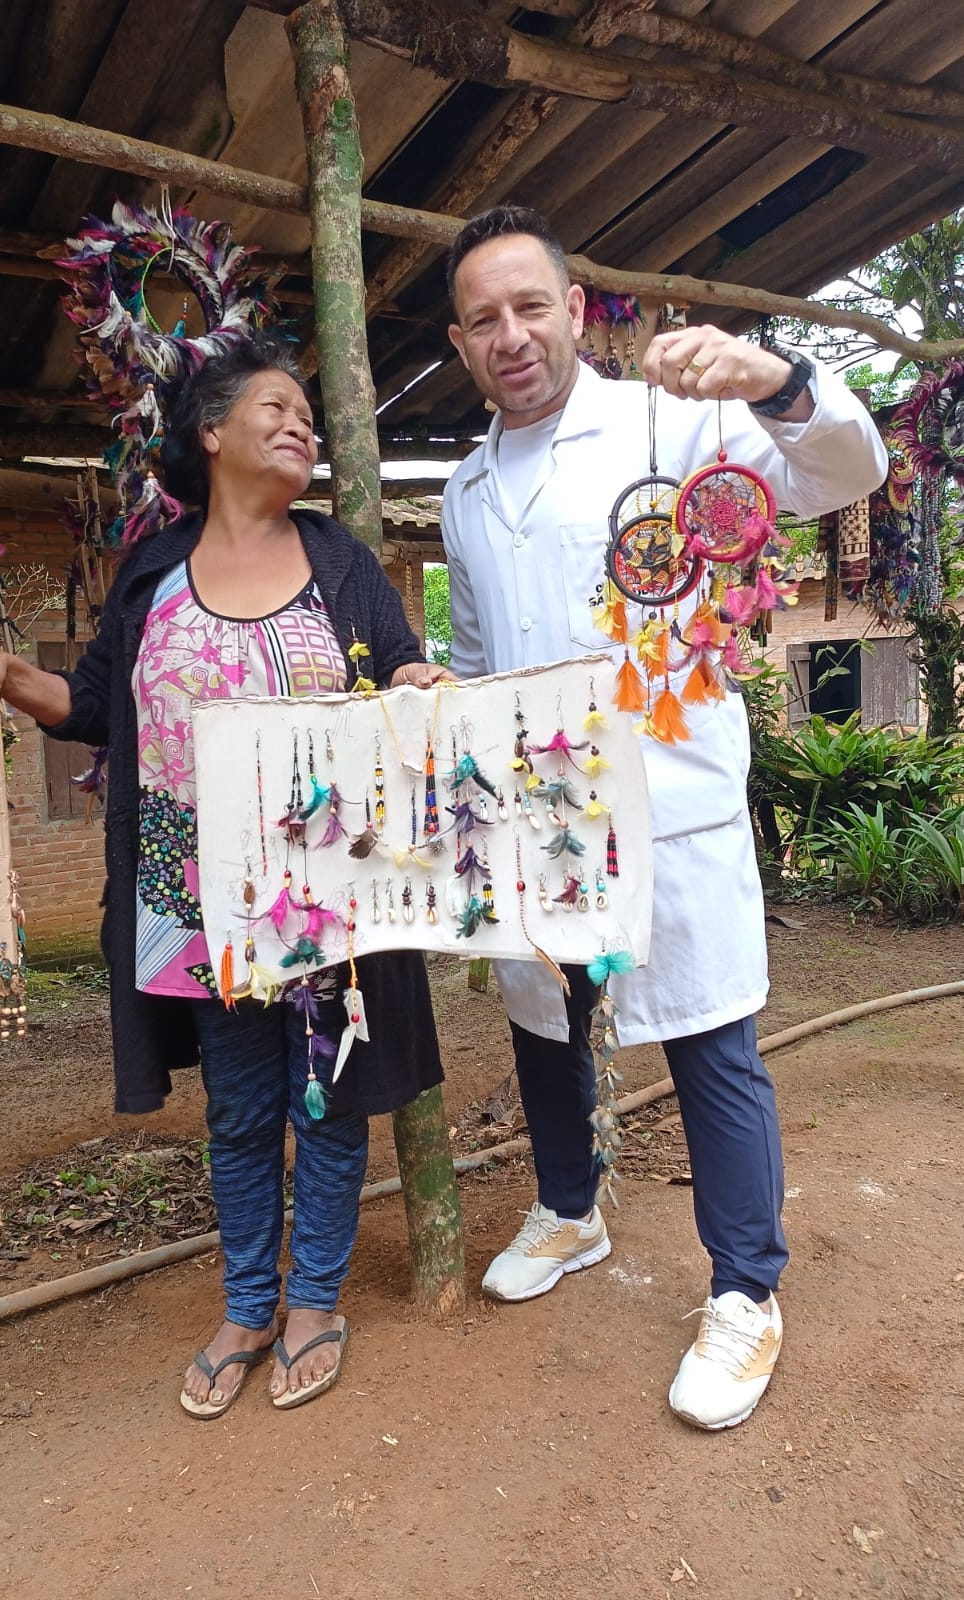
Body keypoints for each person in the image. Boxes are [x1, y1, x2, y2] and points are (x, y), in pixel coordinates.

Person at [0, 333, 450, 1419]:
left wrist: (413, 674)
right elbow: (97, 704)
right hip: (194, 894)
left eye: (309, 411)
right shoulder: (151, 574)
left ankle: (313, 1300)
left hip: (327, 890)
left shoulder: (340, 560)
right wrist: (16, 675)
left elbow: (395, 657)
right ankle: (247, 1303)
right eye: (277, 407)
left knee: (331, 1097)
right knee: (245, 1109)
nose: (301, 424)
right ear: (210, 434)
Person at [439, 205, 888, 1430]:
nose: (511, 335)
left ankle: (745, 1291)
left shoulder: (670, 420)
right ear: (459, 340)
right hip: (535, 805)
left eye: (531, 306)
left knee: (705, 1035)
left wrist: (778, 377)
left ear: (575, 309)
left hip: (667, 795)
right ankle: (571, 1209)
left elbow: (847, 472)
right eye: (483, 319)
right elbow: (479, 648)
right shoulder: (467, 489)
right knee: (545, 1017)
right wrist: (446, 690)